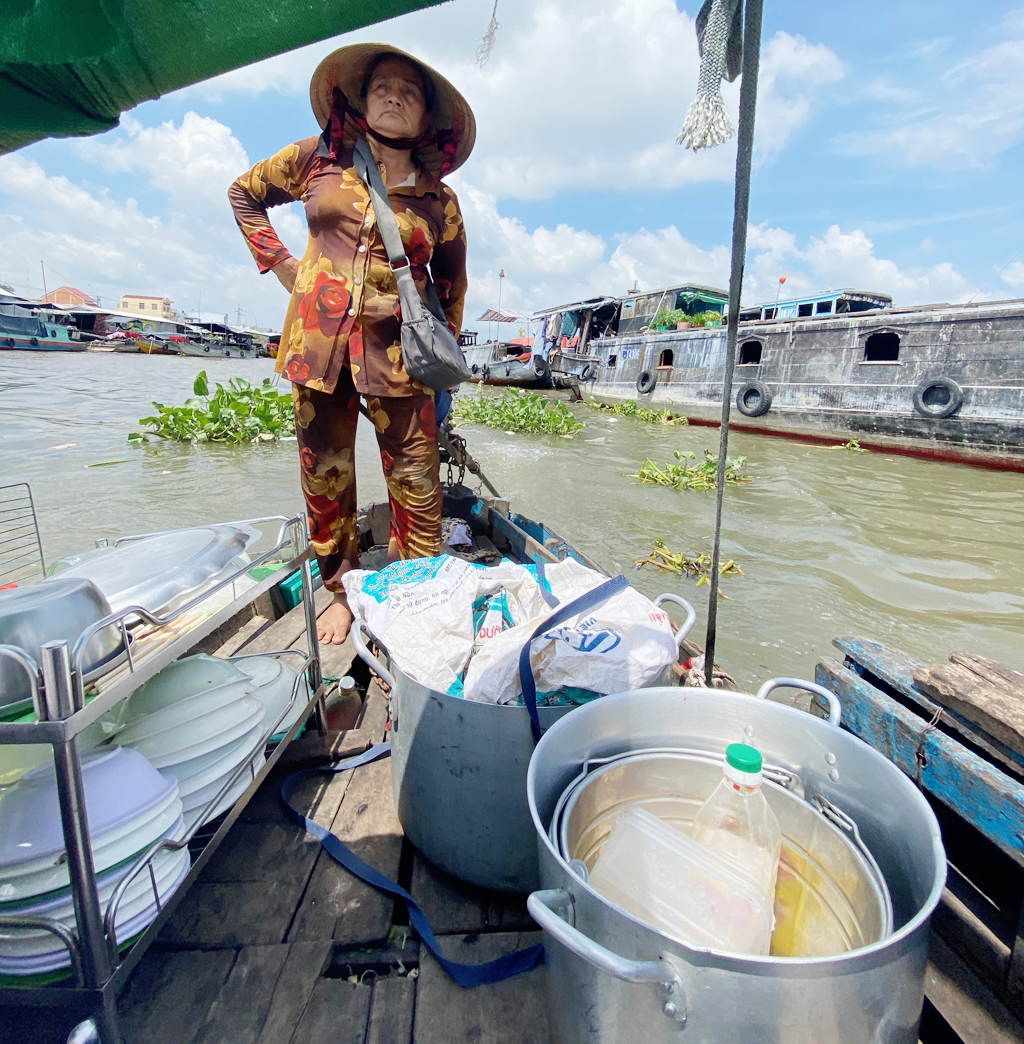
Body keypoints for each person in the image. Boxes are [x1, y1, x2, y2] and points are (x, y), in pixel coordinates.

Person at [228, 44, 475, 645]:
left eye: (409, 93)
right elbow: (244, 193)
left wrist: (442, 376)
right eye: (383, 86)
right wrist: (282, 264)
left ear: (425, 122)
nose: (393, 96)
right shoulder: (318, 160)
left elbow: (451, 287)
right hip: (319, 350)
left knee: (417, 482)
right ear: (362, 101)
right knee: (326, 476)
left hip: (400, 360)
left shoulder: (440, 204)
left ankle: (416, 592)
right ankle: (340, 591)